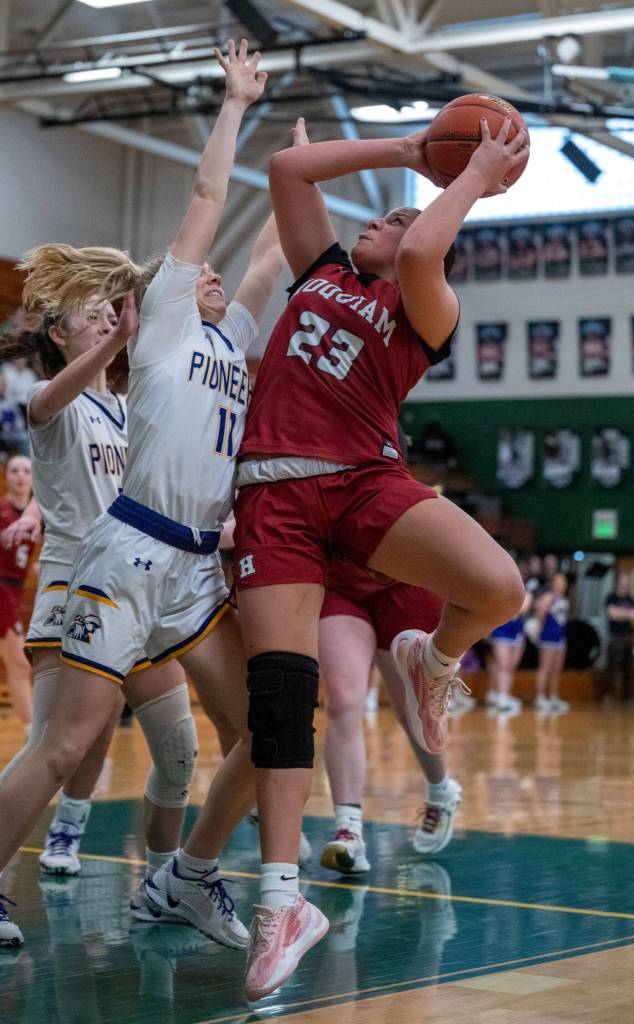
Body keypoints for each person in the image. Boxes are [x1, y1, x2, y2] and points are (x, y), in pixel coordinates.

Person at [229, 115, 528, 998]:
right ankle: (282, 902)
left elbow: (427, 245)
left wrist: (466, 176)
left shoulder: (423, 301)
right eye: (380, 219)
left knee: (498, 585)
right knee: (282, 695)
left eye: (391, 220)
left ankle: (431, 659)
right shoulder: (320, 271)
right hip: (273, 493)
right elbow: (288, 168)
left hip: (363, 480)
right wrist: (408, 151)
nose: (378, 224)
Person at [0, 38, 278, 953]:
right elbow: (206, 202)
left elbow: (271, 259)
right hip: (126, 553)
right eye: (195, 270)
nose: (211, 273)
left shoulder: (228, 338)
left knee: (254, 733)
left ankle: (183, 879)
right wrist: (234, 104)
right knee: (69, 745)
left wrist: (301, 169)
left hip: (196, 569)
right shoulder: (161, 319)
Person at [318, 556, 462, 874]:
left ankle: (441, 790)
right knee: (342, 700)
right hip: (339, 579)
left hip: (407, 572)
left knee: (413, 709)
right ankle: (349, 829)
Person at [0, 454, 36, 732]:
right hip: (1, 589)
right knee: (20, 666)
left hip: (16, 589)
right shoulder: (1, 509)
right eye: (14, 470)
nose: (21, 475)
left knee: (20, 666)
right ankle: (31, 733)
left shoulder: (38, 515)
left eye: (26, 470)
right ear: (6, 476)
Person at [487, 584, 532, 715]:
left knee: (510, 667)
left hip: (517, 632)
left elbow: (524, 608)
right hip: (501, 632)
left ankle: (504, 694)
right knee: (503, 665)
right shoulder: (498, 590)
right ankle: (501, 697)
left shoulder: (525, 590)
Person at [534, 573, 570, 713]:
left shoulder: (565, 599)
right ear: (554, 582)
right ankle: (540, 697)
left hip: (560, 637)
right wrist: (541, 631)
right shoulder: (549, 597)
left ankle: (554, 696)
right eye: (560, 581)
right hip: (548, 637)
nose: (562, 584)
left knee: (556, 669)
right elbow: (540, 615)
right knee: (545, 667)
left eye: (564, 581)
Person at [601, 571, 634, 701]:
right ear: (618, 582)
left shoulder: (631, 599)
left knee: (629, 668)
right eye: (623, 581)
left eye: (627, 582)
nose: (625, 584)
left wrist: (621, 613)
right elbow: (612, 614)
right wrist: (627, 613)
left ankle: (627, 696)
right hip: (615, 636)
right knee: (611, 667)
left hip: (629, 636)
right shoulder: (611, 597)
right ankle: (608, 694)